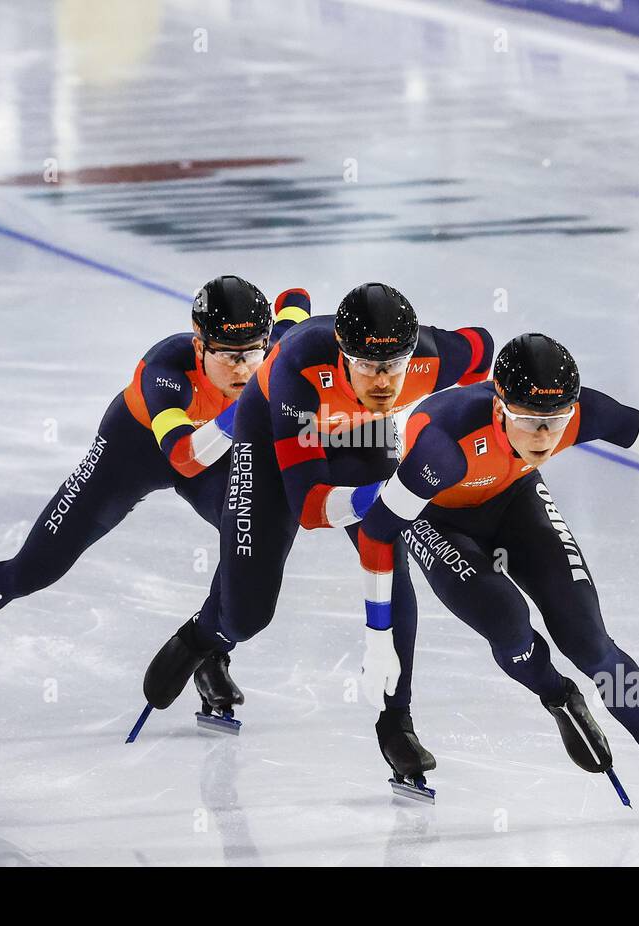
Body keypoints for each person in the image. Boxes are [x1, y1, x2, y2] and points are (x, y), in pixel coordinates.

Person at [353, 332, 639, 811]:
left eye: (555, 422)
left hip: (514, 500)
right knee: (509, 626)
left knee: (590, 642)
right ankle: (558, 695)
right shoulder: (441, 447)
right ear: (499, 409)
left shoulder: (584, 414)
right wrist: (378, 636)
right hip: (435, 517)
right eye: (529, 422)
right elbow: (376, 533)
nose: (544, 437)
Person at [0, 276, 312, 701]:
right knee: (32, 570)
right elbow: (184, 457)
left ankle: (209, 647)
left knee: (252, 530)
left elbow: (296, 301)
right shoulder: (164, 370)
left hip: (214, 449)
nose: (245, 368)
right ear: (198, 344)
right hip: (138, 450)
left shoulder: (267, 350)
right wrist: (246, 408)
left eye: (255, 352)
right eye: (229, 355)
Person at [139, 282, 493, 783]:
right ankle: (204, 639)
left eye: (394, 365)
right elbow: (309, 507)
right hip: (275, 436)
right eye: (367, 366)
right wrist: (389, 493)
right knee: (248, 616)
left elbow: (484, 349)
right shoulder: (298, 364)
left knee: (391, 567)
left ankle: (397, 722)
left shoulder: (433, 358)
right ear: (343, 355)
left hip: (362, 434)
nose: (383, 381)